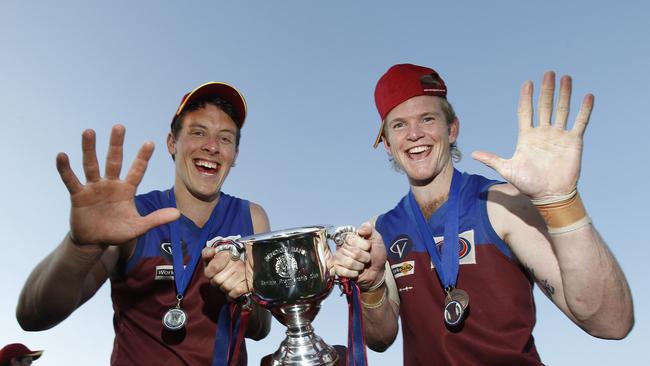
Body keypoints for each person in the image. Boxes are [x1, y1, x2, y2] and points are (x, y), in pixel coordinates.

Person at [332, 64, 634, 365]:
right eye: (398, 125)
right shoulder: (382, 230)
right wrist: (371, 288)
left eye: (427, 118)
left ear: (452, 129)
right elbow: (380, 339)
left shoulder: (502, 204)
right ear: (387, 144)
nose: (413, 134)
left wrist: (562, 202)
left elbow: (611, 323)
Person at [16, 81, 271, 365]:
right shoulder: (132, 217)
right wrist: (81, 246)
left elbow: (261, 328)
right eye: (198, 132)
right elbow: (32, 315)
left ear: (234, 154)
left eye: (225, 138)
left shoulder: (252, 217)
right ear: (172, 143)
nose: (212, 146)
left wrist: (247, 291)